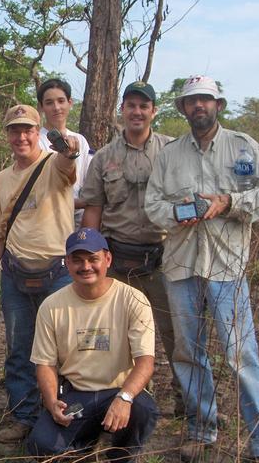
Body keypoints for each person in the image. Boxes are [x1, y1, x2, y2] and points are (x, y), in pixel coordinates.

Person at [145, 75, 259, 462]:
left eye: (205, 100)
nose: (198, 106)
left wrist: (228, 202)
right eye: (191, 101)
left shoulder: (242, 146)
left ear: (218, 104)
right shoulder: (169, 155)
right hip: (181, 266)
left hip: (227, 268)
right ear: (182, 108)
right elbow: (153, 206)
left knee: (240, 354)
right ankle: (203, 429)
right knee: (187, 351)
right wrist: (178, 213)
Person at [80, 81, 182, 414]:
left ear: (153, 110)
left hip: (163, 260)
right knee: (122, 334)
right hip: (119, 261)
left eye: (143, 106)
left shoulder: (172, 151)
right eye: (130, 105)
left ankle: (188, 400)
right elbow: (93, 207)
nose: (136, 112)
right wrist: (89, 257)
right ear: (121, 111)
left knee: (175, 332)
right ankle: (134, 398)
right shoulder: (105, 157)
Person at [0, 104, 78, 442]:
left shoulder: (53, 164)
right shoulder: (2, 180)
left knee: (63, 349)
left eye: (27, 130)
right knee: (19, 349)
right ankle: (23, 416)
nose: (21, 136)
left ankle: (64, 415)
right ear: (7, 134)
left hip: (58, 273)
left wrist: (69, 151)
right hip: (15, 273)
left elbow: (68, 165)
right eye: (14, 130)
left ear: (39, 132)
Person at [27, 228, 158, 461]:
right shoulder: (51, 306)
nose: (86, 266)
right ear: (66, 263)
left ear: (107, 259)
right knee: (43, 448)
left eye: (93, 259)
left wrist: (125, 398)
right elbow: (45, 364)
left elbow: (145, 362)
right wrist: (51, 402)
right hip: (77, 394)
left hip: (118, 390)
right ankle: (86, 443)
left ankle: (121, 453)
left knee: (142, 409)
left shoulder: (133, 300)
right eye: (77, 260)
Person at [36, 78, 93, 226]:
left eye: (61, 101)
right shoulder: (35, 141)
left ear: (70, 103)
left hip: (79, 221)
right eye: (49, 103)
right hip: (47, 219)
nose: (56, 107)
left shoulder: (81, 140)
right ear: (41, 107)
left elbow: (90, 181)